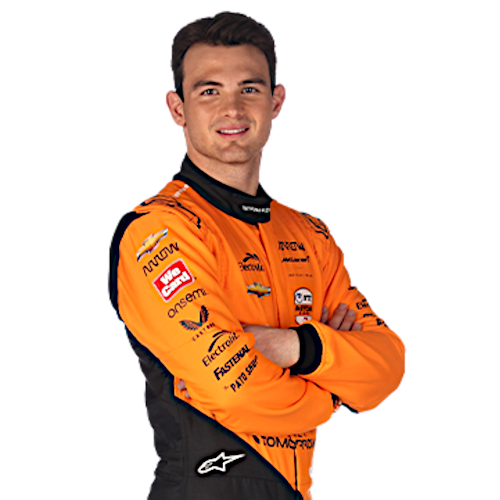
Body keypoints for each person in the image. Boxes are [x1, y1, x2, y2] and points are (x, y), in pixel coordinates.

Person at [107, 10, 406, 500]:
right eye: (209, 91)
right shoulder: (160, 230)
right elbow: (234, 390)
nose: (232, 109)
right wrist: (332, 387)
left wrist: (295, 348)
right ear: (177, 108)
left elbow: (387, 368)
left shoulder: (309, 234)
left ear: (276, 101)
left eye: (249, 88)